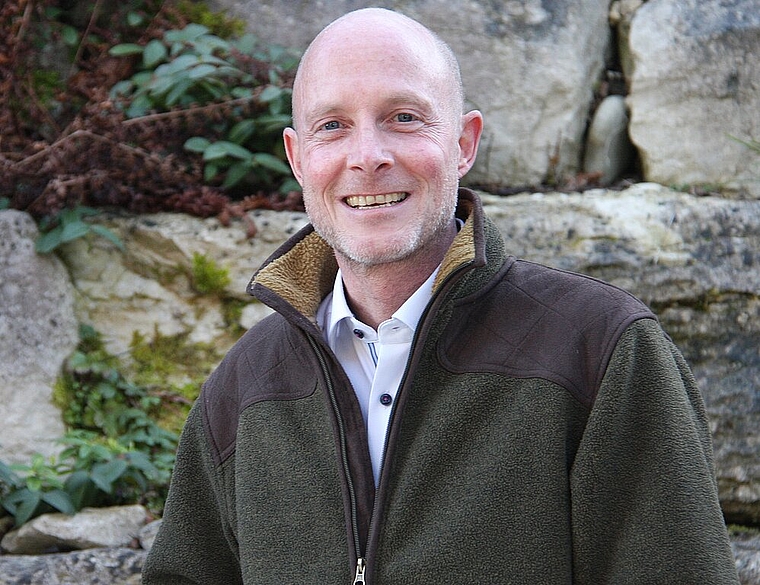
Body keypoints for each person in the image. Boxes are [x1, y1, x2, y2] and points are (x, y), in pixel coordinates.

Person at [142, 8, 739, 584]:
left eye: (404, 117)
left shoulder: (602, 352)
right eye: (332, 126)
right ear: (299, 159)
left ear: (463, 143)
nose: (367, 156)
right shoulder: (243, 385)